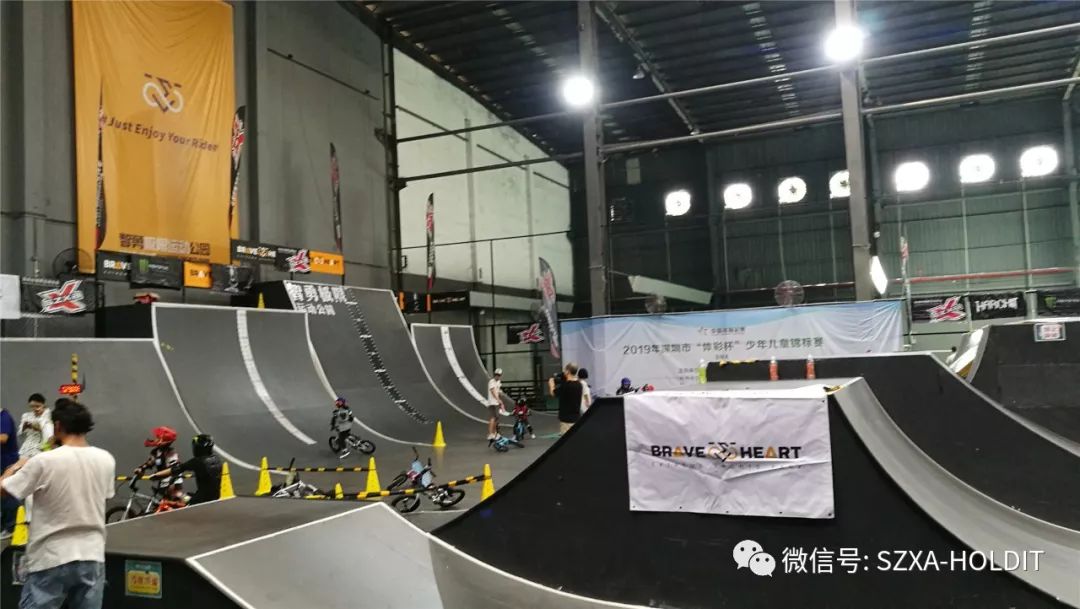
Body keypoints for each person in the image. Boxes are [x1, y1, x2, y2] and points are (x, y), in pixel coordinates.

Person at [0, 400, 115, 609]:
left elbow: (4, 490)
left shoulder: (44, 461)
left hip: (51, 557)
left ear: (58, 426)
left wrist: (13, 468)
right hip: (92, 556)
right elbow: (104, 495)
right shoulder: (106, 459)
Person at [150, 434, 222, 505]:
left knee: (180, 500)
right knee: (187, 495)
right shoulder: (216, 458)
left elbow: (176, 469)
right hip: (216, 496)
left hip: (201, 499)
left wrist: (156, 475)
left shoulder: (198, 461)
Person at [135, 426, 184, 502]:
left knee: (175, 499)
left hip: (173, 481)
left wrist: (159, 475)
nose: (155, 439)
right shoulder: (156, 452)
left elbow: (174, 469)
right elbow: (150, 462)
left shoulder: (171, 453)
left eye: (158, 437)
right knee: (162, 502)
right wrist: (141, 468)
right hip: (163, 480)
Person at [1, 406, 19, 534]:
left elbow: (3, 438)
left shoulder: (4, 417)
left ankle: (11, 526)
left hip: (7, 462)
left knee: (7, 493)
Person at [19, 394, 53, 460]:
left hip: (44, 447)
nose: (35, 409)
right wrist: (24, 426)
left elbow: (50, 433)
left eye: (37, 406)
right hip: (27, 447)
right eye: (32, 407)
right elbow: (21, 435)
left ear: (43, 405)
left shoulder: (50, 415)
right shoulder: (26, 416)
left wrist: (38, 428)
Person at [556, 363, 583, 435]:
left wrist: (551, 384)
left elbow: (554, 393)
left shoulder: (566, 386)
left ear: (568, 371)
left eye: (565, 370)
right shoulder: (579, 384)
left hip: (566, 420)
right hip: (576, 418)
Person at [486, 369, 509, 442]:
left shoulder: (498, 382)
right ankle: (490, 434)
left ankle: (494, 432)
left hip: (496, 402)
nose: (497, 376)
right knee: (493, 417)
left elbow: (498, 390)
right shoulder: (491, 382)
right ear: (494, 374)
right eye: (496, 375)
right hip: (492, 402)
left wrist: (502, 393)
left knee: (496, 418)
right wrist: (498, 399)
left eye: (499, 375)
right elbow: (492, 391)